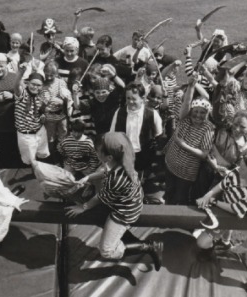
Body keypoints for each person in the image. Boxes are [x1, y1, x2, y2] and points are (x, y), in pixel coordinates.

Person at [65, 132, 163, 271]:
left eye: (98, 151)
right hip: (129, 200)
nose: (96, 153)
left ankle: (148, 246)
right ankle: (123, 235)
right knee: (104, 221)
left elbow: (101, 197)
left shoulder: (117, 178)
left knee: (106, 251)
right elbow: (105, 171)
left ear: (109, 157)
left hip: (123, 213)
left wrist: (83, 207)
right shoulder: (123, 161)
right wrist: (87, 178)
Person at [164, 74, 215, 205]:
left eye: (203, 112)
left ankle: (176, 222)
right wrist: (191, 86)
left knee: (180, 198)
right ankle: (165, 218)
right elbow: (186, 102)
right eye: (196, 111)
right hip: (170, 165)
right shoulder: (185, 119)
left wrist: (183, 145)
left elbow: (204, 154)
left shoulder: (208, 128)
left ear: (208, 113)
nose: (198, 115)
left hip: (186, 174)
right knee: (169, 192)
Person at [110, 82, 163, 174]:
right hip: (124, 154)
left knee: (141, 177)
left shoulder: (152, 114)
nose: (130, 102)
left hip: (143, 154)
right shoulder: (119, 112)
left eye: (134, 99)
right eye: (128, 98)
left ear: (142, 99)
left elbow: (159, 134)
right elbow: (112, 134)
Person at [14, 66, 50, 165]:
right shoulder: (22, 94)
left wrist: (44, 114)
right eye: (33, 84)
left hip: (40, 131)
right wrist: (21, 73)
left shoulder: (42, 95)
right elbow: (16, 86)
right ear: (28, 83)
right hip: (26, 134)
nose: (35, 87)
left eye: (39, 85)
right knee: (30, 160)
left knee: (43, 154)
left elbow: (42, 110)